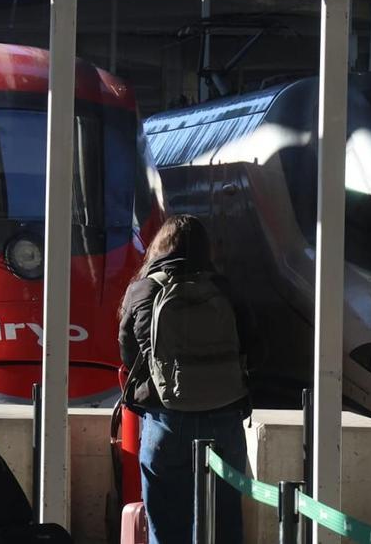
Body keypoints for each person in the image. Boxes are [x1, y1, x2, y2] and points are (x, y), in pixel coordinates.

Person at [118, 214, 252, 544]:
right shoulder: (224, 289)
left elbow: (127, 354)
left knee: (166, 523)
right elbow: (256, 347)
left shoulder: (143, 290)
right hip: (224, 417)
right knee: (223, 521)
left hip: (166, 421)